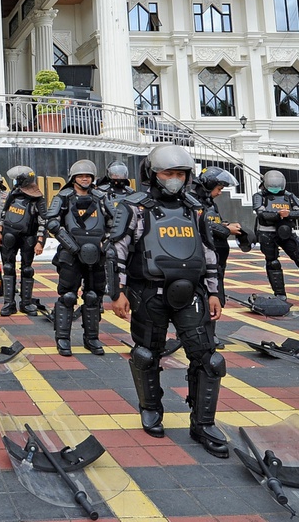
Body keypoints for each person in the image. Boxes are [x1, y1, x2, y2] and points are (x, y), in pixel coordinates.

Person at [107, 144, 228, 458]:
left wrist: (215, 292)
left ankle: (204, 423)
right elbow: (116, 250)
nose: (175, 178)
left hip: (193, 293)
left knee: (209, 359)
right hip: (149, 292)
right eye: (168, 173)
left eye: (180, 173)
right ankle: (151, 408)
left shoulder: (195, 208)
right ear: (153, 174)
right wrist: (117, 292)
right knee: (147, 354)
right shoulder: (134, 207)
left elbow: (209, 251)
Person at [45, 159, 114, 356]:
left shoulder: (101, 198)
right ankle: (63, 339)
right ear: (73, 178)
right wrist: (71, 245)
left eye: (88, 176)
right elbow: (52, 223)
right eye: (80, 176)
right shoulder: (64, 197)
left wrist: (106, 243)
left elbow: (115, 223)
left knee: (93, 297)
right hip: (71, 255)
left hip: (96, 256)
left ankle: (91, 338)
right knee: (67, 297)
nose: (84, 179)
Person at [253, 170, 299, 306]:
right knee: (273, 263)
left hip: (287, 232)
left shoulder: (289, 196)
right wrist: (278, 214)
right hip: (267, 233)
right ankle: (280, 295)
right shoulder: (259, 196)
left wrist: (289, 214)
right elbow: (261, 213)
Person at [0, 165, 48, 316]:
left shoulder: (38, 199)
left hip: (28, 238)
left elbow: (43, 221)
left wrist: (40, 241)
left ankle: (26, 303)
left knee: (27, 269)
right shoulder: (13, 195)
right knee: (8, 268)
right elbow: (3, 215)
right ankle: (8, 303)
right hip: (9, 236)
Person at [191, 167, 246, 309]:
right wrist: (227, 229)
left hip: (217, 260)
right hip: (204, 260)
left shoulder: (209, 203)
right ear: (208, 186)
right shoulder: (193, 202)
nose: (220, 193)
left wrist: (227, 225)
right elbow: (204, 224)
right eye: (219, 189)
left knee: (216, 299)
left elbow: (215, 221)